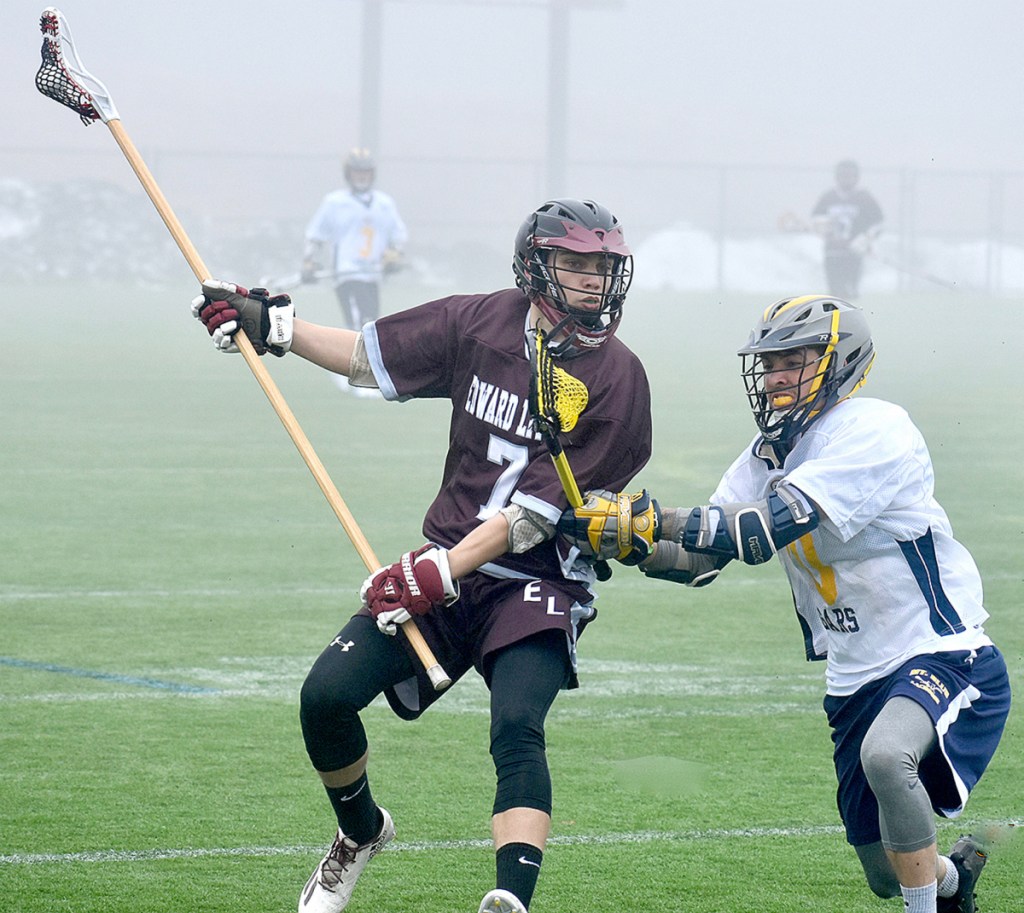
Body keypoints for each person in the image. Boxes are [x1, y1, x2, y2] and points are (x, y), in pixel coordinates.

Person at [191, 198, 655, 913]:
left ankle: (510, 897)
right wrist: (273, 327)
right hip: (444, 569)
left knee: (517, 723)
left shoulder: (620, 378)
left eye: (602, 267)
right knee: (326, 697)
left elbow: (534, 517)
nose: (594, 282)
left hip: (537, 580)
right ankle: (360, 831)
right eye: (576, 264)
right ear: (536, 266)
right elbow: (364, 357)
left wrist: (432, 570)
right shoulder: (480, 321)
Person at [559, 295, 1011, 913]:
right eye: (768, 364)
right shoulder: (763, 455)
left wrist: (654, 517)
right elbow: (700, 563)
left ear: (840, 362)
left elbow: (757, 531)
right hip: (854, 676)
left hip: (940, 650)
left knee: (888, 755)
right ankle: (953, 882)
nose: (772, 377)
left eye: (791, 361)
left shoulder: (875, 428)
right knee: (885, 872)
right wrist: (625, 542)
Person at [302, 147, 409, 333]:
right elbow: (315, 236)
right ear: (348, 174)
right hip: (347, 274)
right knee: (360, 327)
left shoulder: (384, 204)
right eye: (357, 172)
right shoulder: (334, 203)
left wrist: (395, 255)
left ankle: (363, 361)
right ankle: (356, 361)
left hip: (373, 274)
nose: (362, 177)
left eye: (366, 172)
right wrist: (309, 262)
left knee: (371, 325)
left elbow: (397, 236)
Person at [811, 159, 884, 298]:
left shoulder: (865, 198)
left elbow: (878, 223)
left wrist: (864, 240)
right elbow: (816, 219)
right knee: (835, 293)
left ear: (857, 178)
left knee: (851, 293)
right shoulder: (828, 198)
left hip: (853, 254)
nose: (846, 179)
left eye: (850, 176)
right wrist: (829, 235)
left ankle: (851, 319)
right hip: (832, 253)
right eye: (842, 176)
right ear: (836, 177)